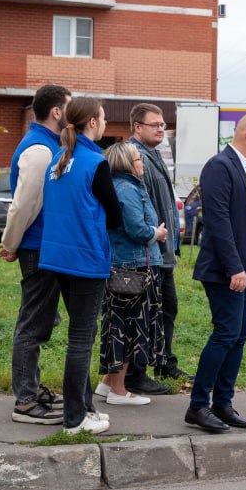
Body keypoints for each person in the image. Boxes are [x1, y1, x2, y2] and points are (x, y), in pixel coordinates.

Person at [38, 97, 123, 434]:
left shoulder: (58, 160)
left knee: (79, 337)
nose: (104, 124)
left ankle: (84, 409)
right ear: (91, 123)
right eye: (102, 118)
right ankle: (75, 419)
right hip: (86, 260)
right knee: (81, 340)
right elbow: (115, 216)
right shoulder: (95, 162)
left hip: (57, 258)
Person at [186, 113, 246, 433]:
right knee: (225, 333)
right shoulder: (220, 166)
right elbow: (219, 220)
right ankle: (197, 406)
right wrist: (234, 266)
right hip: (227, 270)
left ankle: (223, 402)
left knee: (238, 334)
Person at [0, 83, 69, 425]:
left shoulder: (47, 144)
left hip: (43, 246)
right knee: (32, 324)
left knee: (41, 320)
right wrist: (11, 244)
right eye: (69, 107)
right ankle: (25, 400)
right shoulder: (40, 149)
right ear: (57, 111)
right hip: (38, 246)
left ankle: (33, 387)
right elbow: (25, 203)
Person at [94, 143, 167, 409]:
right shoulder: (127, 189)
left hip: (127, 265)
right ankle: (119, 390)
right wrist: (156, 234)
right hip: (133, 268)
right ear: (126, 163)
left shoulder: (122, 186)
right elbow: (137, 229)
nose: (142, 163)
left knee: (119, 324)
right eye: (138, 159)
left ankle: (107, 383)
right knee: (128, 328)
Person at [124, 103, 189, 394]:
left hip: (162, 253)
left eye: (163, 125)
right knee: (145, 314)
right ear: (137, 127)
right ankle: (135, 374)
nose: (161, 129)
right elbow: (138, 205)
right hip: (148, 252)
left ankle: (163, 361)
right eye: (155, 125)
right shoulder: (134, 157)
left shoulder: (155, 154)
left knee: (166, 309)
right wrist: (155, 237)